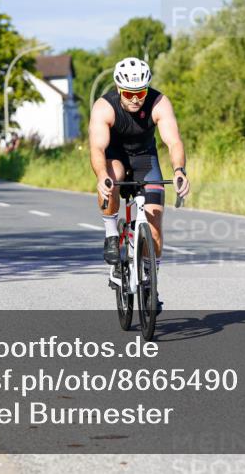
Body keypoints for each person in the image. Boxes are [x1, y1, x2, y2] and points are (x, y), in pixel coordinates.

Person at [88, 57, 191, 311]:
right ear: (118, 89)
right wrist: (102, 177)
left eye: (140, 93)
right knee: (112, 178)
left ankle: (150, 280)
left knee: (155, 218)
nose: (135, 100)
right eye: (129, 94)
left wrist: (179, 170)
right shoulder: (105, 107)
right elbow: (97, 147)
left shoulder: (159, 102)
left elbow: (174, 141)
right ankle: (112, 233)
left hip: (145, 158)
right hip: (116, 157)